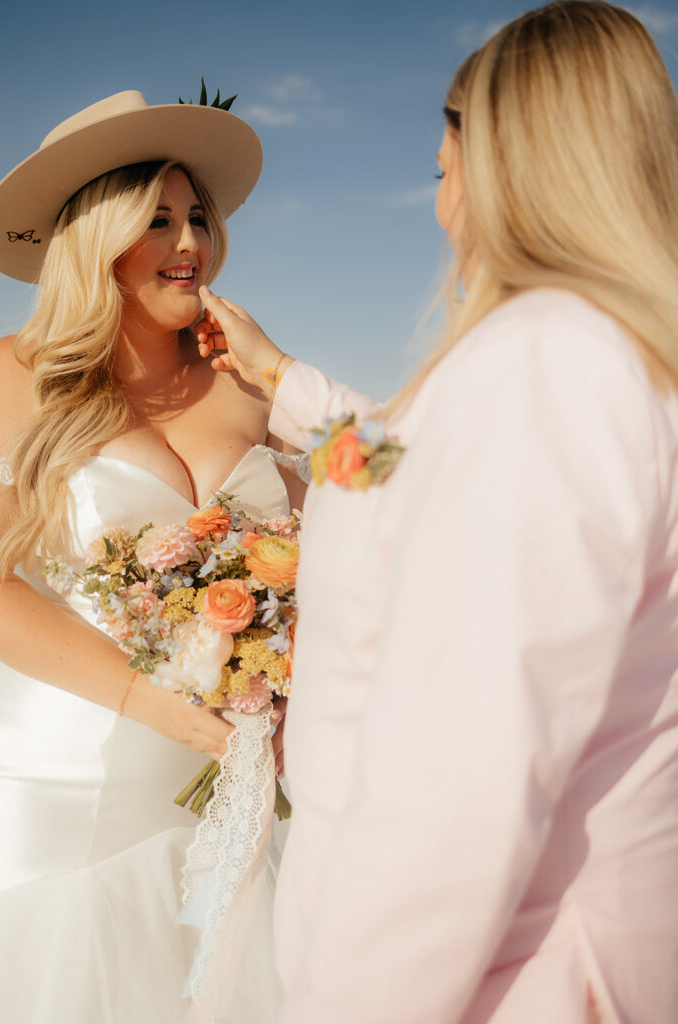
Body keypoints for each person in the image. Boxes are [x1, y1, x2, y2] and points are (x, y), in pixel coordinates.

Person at [195, 2, 678, 1021]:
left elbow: (455, 787)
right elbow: (410, 476)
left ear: (510, 165)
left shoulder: (541, 366)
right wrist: (281, 378)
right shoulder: (592, 358)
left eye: (442, 169)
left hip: (498, 976)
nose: (440, 201)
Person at [0, 90, 303, 1023]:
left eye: (198, 218)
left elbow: (384, 485)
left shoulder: (250, 386)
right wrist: (146, 703)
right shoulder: (15, 376)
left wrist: (285, 374)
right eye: (157, 220)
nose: (190, 243)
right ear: (97, 238)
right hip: (77, 789)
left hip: (241, 786)